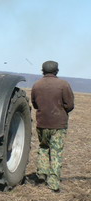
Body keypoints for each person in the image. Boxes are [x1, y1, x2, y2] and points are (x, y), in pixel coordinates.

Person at [30, 60, 74, 192]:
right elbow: (70, 105)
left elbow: (35, 104)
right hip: (58, 124)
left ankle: (42, 174)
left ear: (43, 70)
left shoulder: (37, 85)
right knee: (56, 151)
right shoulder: (63, 84)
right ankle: (54, 183)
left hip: (42, 123)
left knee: (43, 147)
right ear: (56, 71)